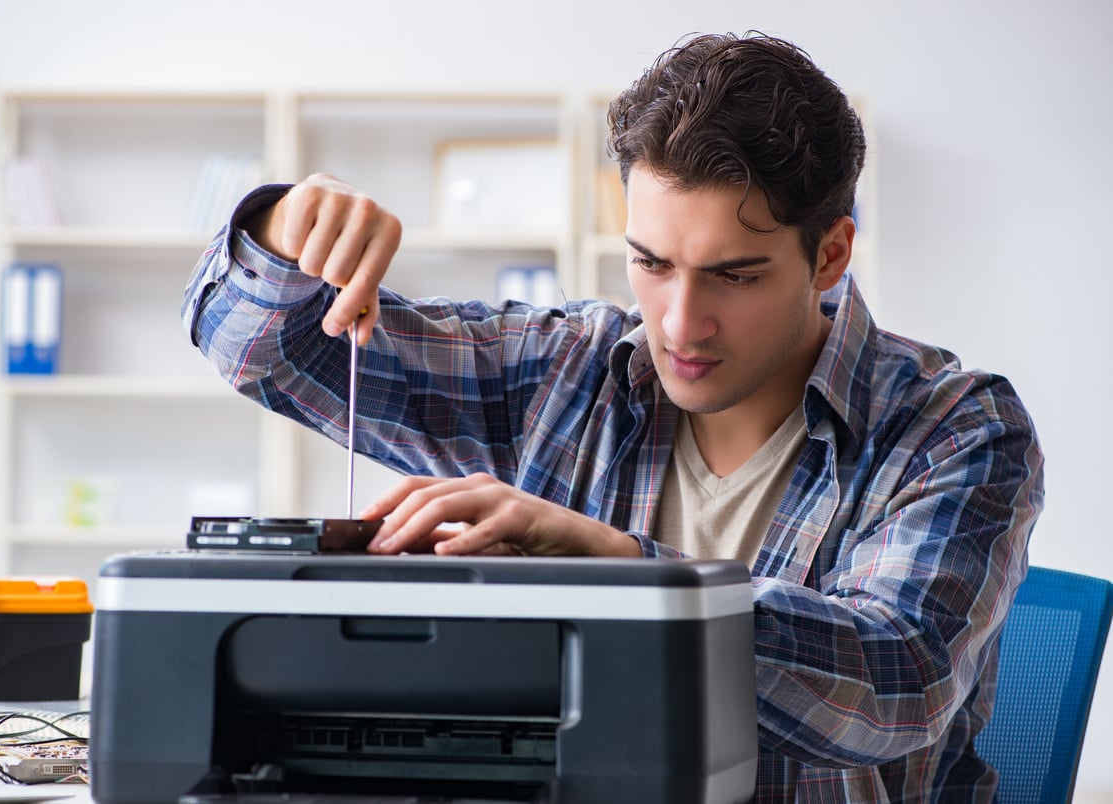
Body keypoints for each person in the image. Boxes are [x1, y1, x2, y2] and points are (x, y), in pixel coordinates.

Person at [182, 32, 1043, 801]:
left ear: (830, 254)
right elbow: (267, 353)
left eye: (734, 275)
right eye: (651, 262)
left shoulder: (957, 428)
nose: (678, 323)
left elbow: (896, 685)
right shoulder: (565, 372)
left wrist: (616, 566)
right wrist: (281, 230)